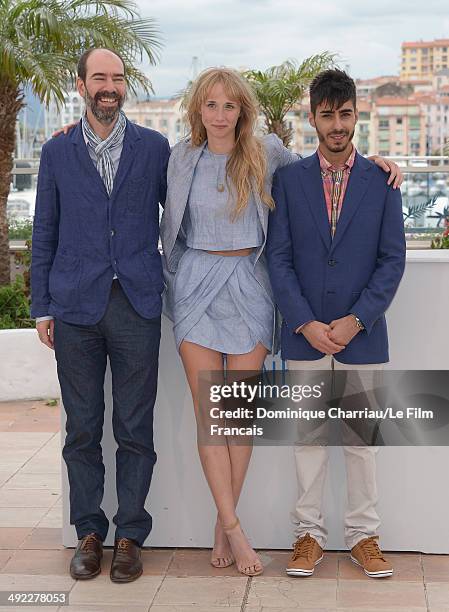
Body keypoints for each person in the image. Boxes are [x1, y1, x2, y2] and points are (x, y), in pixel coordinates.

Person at [161, 67, 403, 577]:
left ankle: (354, 535)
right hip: (219, 298)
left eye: (230, 106)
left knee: (328, 434)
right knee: (248, 424)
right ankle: (260, 530)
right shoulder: (184, 157)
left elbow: (380, 249)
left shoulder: (274, 155)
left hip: (287, 303)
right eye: (211, 105)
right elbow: (174, 227)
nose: (221, 115)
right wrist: (303, 322)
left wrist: (384, 165)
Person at [31, 48, 170, 582]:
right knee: (81, 429)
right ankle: (89, 533)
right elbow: (45, 229)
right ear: (81, 84)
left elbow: (180, 210)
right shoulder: (57, 150)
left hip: (136, 303)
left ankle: (130, 535)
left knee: (136, 426)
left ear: (124, 85)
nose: (109, 86)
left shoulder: (155, 148)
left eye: (117, 78)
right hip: (74, 307)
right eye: (99, 78)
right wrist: (41, 305)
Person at [266, 69, 406, 578]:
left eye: (345, 114)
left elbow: (392, 261)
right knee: (307, 439)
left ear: (356, 115)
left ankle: (364, 537)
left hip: (362, 338)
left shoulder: (382, 180)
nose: (337, 124)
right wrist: (304, 323)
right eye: (327, 114)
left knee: (361, 441)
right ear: (313, 118)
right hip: (305, 338)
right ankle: (308, 536)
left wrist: (357, 320)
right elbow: (277, 259)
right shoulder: (288, 180)